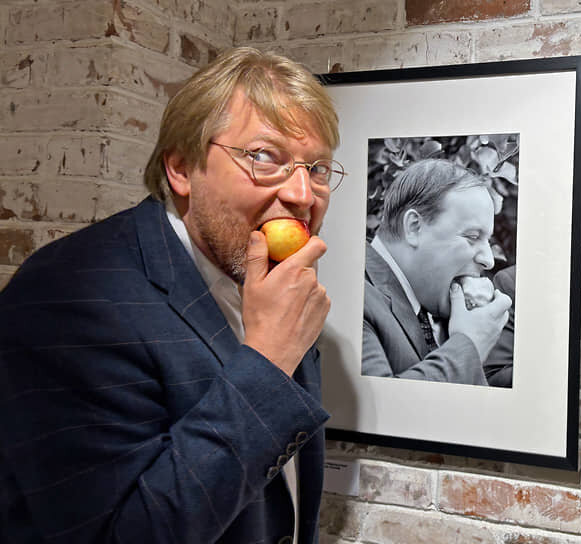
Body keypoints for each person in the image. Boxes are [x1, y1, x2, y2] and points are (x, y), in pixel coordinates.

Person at [0, 48, 338, 543]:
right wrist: (268, 360)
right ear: (181, 168)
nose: (304, 195)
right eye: (266, 157)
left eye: (320, 169)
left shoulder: (275, 285)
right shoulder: (65, 298)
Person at [362, 158, 512, 385]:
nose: (489, 260)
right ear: (414, 227)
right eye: (472, 237)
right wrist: (468, 345)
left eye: (487, 241)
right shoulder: (354, 295)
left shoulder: (428, 306)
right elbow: (381, 411)